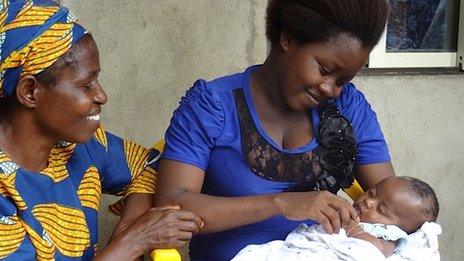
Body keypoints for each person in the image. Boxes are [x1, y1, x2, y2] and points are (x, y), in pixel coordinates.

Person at [155, 0, 395, 260]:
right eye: (325, 70)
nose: (330, 89)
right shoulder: (213, 106)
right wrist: (283, 204)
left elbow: (397, 204)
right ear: (288, 38)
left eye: (343, 81)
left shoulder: (347, 107)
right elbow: (172, 207)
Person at [0, 0, 202, 260]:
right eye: (86, 85)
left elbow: (151, 164)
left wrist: (128, 227)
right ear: (29, 91)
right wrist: (135, 241)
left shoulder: (79, 146)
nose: (102, 95)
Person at [232, 176, 441, 260]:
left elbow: (376, 251)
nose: (368, 202)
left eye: (381, 210)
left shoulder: (390, 235)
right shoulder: (351, 213)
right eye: (372, 193)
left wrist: (354, 228)